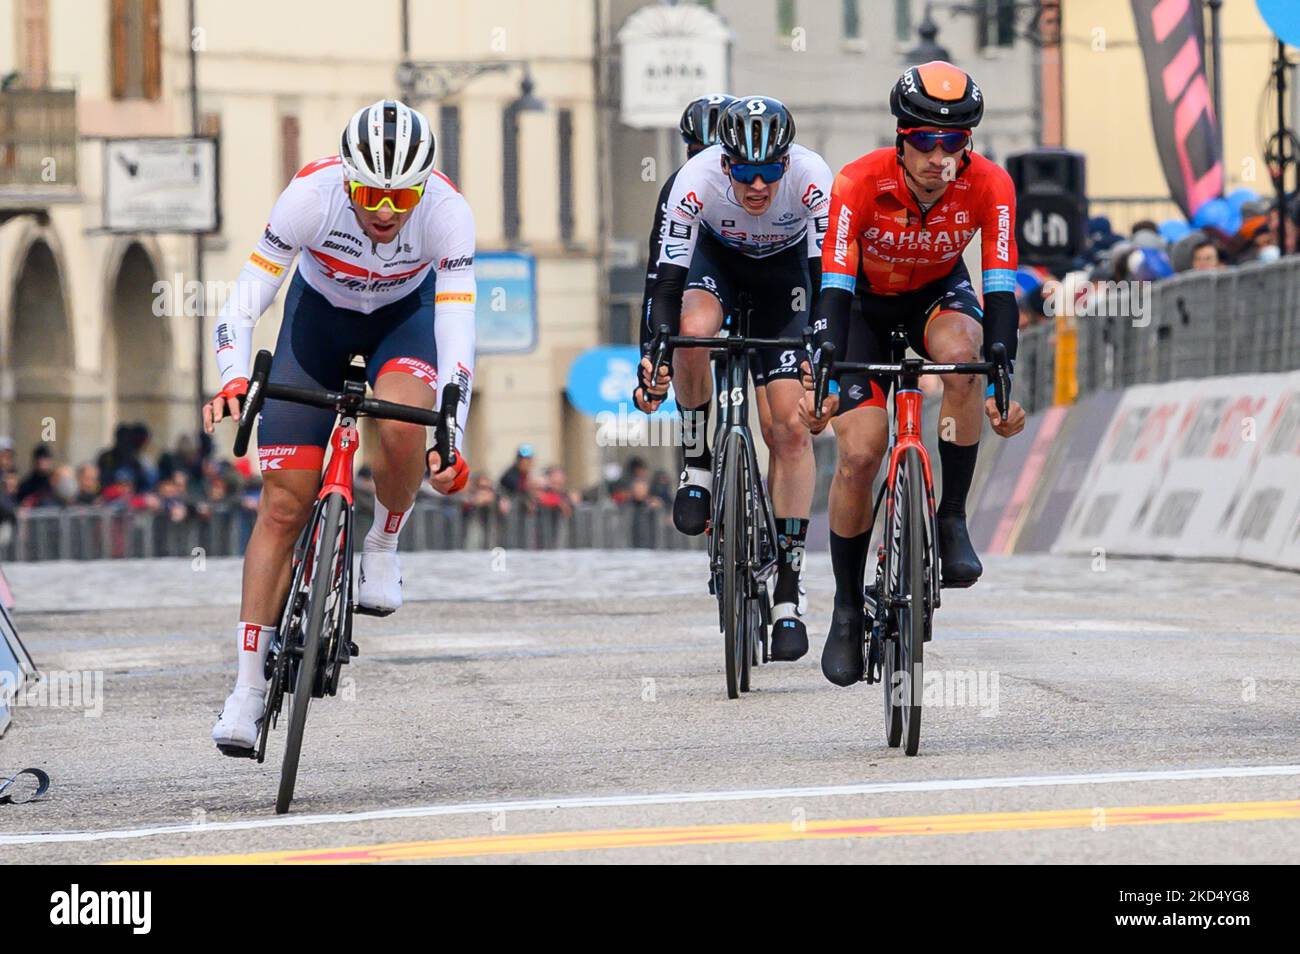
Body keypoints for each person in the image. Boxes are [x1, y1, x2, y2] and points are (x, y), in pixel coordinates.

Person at [204, 99, 477, 755]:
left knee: (405, 424)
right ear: (347, 179)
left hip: (402, 323)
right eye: (370, 193)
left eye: (401, 195)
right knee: (282, 503)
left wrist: (452, 434)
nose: (385, 210)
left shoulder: (447, 214)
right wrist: (233, 374)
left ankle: (383, 546)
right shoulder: (309, 197)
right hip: (315, 322)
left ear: (423, 186)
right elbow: (246, 299)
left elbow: (457, 328)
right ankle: (245, 690)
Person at [801, 61, 1026, 686]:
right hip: (861, 307)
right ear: (901, 137)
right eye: (924, 140)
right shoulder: (857, 182)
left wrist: (1000, 366)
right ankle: (847, 606)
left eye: (953, 142)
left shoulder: (991, 185)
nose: (938, 156)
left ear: (969, 146)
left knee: (967, 352)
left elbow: (1001, 285)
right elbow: (835, 286)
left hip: (936, 296)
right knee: (861, 454)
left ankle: (951, 518)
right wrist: (822, 356)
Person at [635, 95, 833, 662]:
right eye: (744, 172)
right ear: (724, 163)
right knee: (691, 331)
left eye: (770, 171)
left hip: (786, 278)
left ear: (786, 161)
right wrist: (654, 356)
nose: (757, 186)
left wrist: (823, 353)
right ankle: (697, 462)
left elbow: (828, 284)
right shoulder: (694, 180)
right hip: (715, 266)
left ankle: (789, 591)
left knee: (791, 430)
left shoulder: (812, 177)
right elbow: (665, 285)